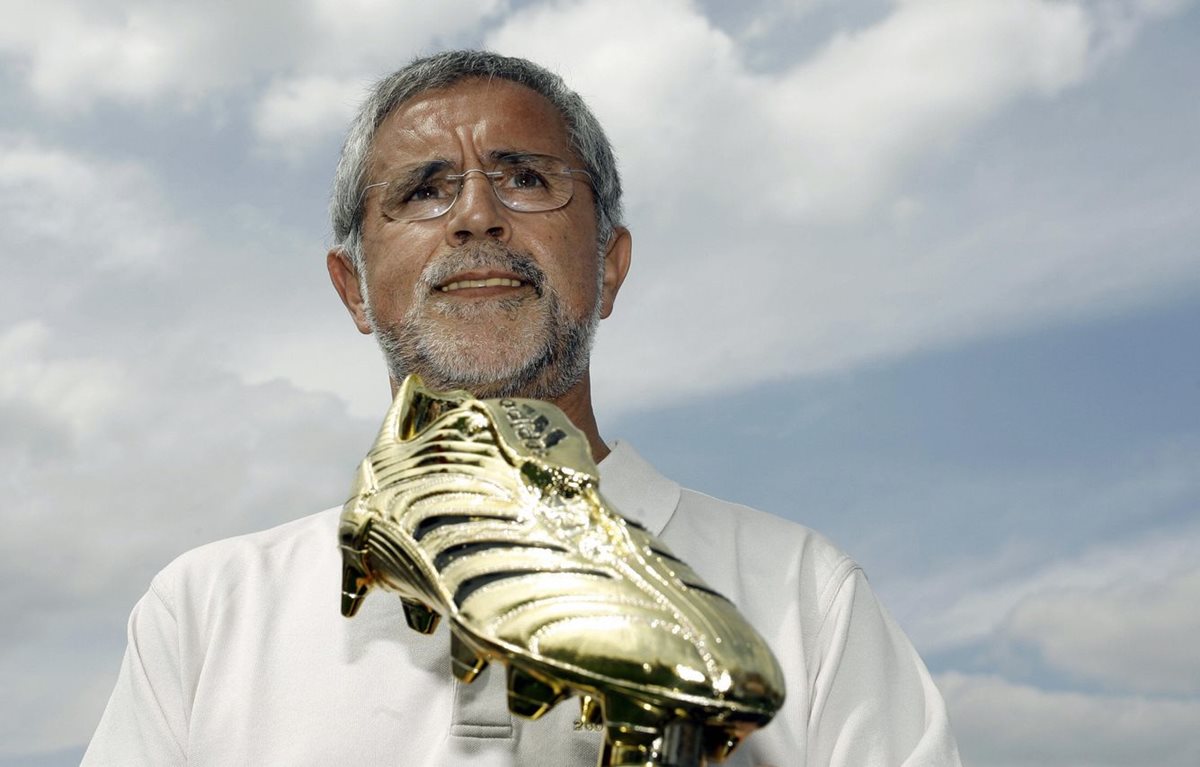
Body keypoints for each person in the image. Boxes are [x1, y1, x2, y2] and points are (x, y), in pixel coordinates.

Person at [83, 50, 962, 766]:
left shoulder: (809, 599)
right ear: (353, 288)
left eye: (527, 179)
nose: (475, 216)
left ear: (607, 265)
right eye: (423, 189)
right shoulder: (205, 612)